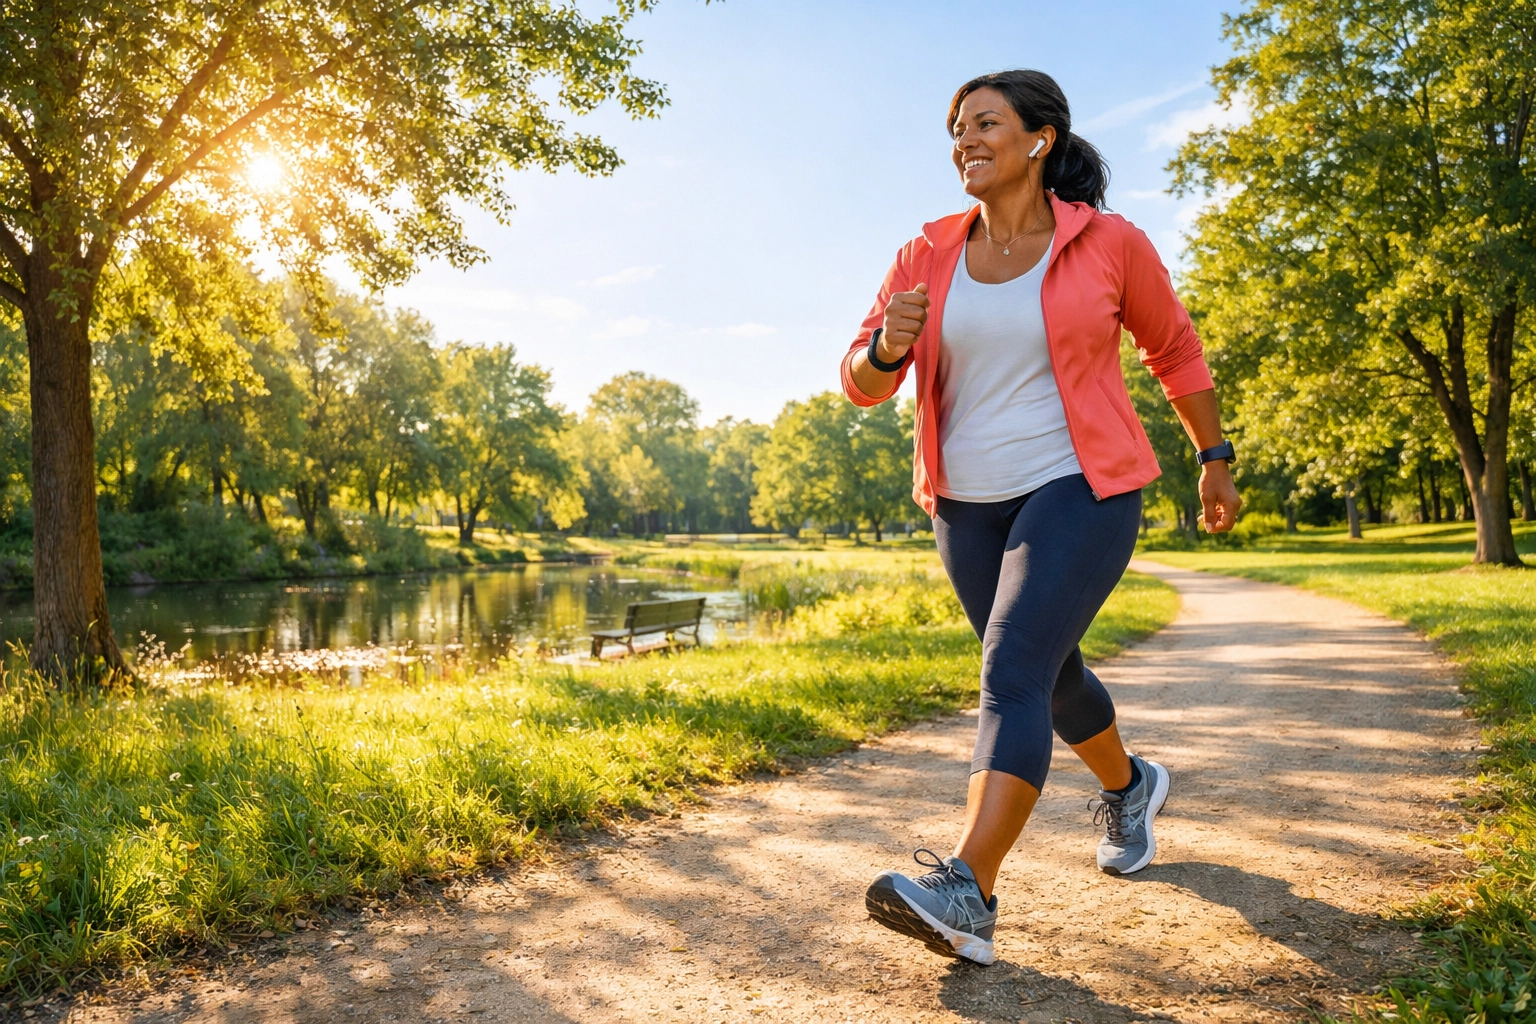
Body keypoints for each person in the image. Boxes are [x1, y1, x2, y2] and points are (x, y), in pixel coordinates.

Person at [841, 69, 1241, 966]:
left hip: (1081, 485)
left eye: (986, 123)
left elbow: (1172, 347)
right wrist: (884, 346)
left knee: (1012, 667)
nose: (965, 140)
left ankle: (968, 889)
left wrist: (1214, 460)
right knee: (1048, 675)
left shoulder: (1107, 243)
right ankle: (1131, 786)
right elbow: (862, 385)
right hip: (965, 503)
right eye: (956, 129)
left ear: (1039, 139)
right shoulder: (926, 254)